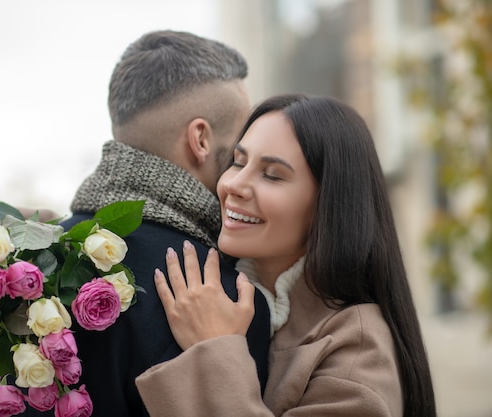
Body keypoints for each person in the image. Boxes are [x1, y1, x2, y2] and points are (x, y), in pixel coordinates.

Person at [135, 94, 437, 417]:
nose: (234, 184)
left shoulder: (358, 346)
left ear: (329, 206)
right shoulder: (205, 291)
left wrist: (215, 347)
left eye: (273, 174)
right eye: (238, 161)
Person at [22, 30, 272, 416]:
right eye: (240, 144)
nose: (245, 161)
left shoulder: (26, 272)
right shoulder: (227, 302)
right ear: (201, 139)